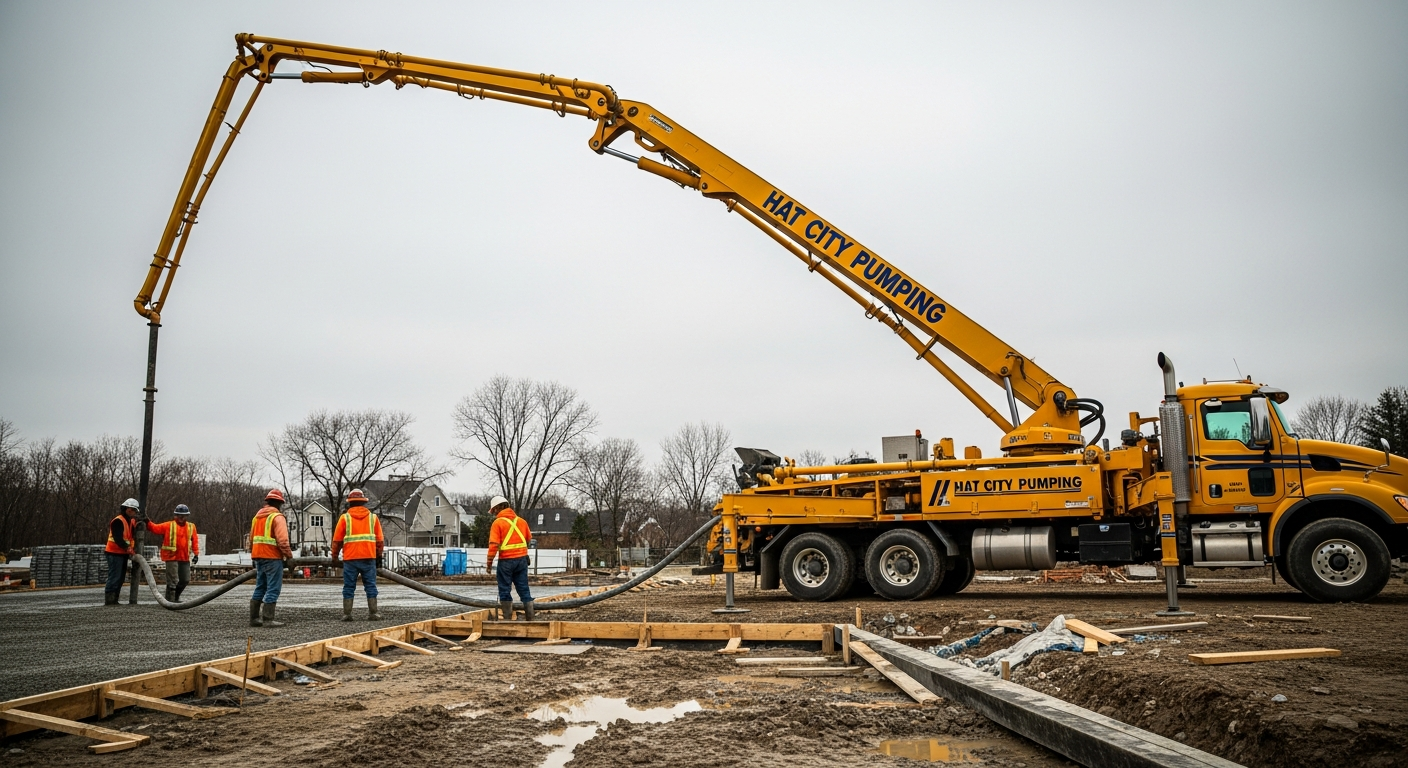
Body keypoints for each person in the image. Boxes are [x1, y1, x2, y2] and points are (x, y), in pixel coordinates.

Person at [331, 488, 385, 621]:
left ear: (350, 503)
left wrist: (334, 557)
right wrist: (378, 556)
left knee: (349, 586)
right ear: (363, 503)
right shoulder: (373, 518)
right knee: (370, 585)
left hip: (350, 559)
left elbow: (337, 541)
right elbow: (379, 541)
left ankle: (347, 614)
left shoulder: (345, 518)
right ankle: (373, 613)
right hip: (368, 558)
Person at [483, 495, 533, 621]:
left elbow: (493, 545)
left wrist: (489, 564)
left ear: (497, 508)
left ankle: (507, 621)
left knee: (505, 590)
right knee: (524, 589)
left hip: (506, 561)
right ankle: (531, 620)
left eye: (493, 510)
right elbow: (528, 539)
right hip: (522, 560)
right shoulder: (522, 521)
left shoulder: (498, 523)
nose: (493, 513)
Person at [249, 489, 293, 627]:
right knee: (273, 588)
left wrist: (253, 555)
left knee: (260, 587)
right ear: (279, 503)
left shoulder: (257, 517)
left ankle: (254, 618)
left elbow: (251, 539)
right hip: (272, 557)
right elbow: (283, 541)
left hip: (259, 557)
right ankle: (268, 619)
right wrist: (289, 557)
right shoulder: (277, 517)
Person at [147, 504, 199, 603]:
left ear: (187, 516)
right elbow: (154, 528)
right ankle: (170, 600)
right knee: (173, 581)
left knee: (185, 579)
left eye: (183, 515)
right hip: (171, 557)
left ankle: (175, 596)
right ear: (175, 515)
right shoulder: (169, 525)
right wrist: (147, 521)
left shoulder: (191, 527)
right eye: (179, 515)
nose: (181, 517)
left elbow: (195, 541)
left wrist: (196, 554)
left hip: (184, 557)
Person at [104, 498, 143, 606]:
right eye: (134, 510)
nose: (134, 513)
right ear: (128, 509)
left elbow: (132, 532)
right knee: (115, 577)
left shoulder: (130, 521)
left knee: (120, 578)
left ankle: (114, 599)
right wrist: (127, 547)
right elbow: (118, 538)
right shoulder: (118, 521)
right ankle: (110, 600)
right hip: (114, 553)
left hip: (122, 553)